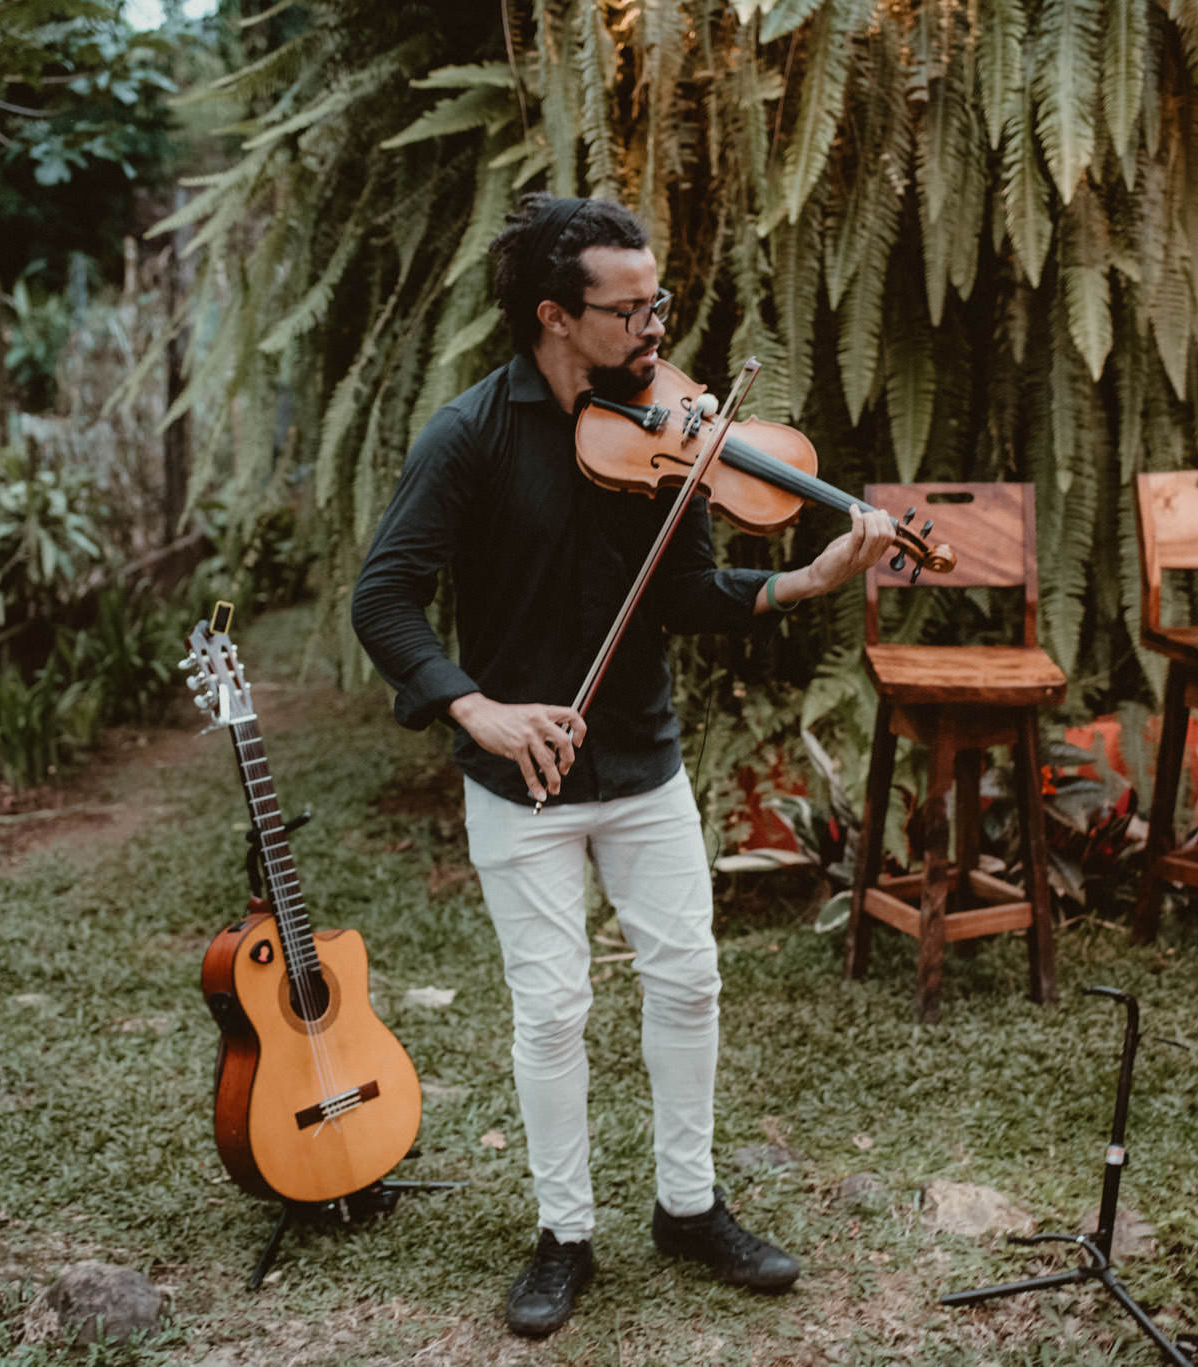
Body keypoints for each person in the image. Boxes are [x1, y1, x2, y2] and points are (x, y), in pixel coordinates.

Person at [350, 194, 898, 1338]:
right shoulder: (469, 435)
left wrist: (804, 581)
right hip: (523, 778)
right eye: (629, 308)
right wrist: (478, 709)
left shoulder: (667, 422)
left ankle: (688, 1205)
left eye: (660, 301)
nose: (655, 327)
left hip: (642, 757)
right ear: (555, 316)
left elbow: (691, 590)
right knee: (551, 1009)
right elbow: (382, 599)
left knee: (688, 977)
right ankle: (564, 1232)